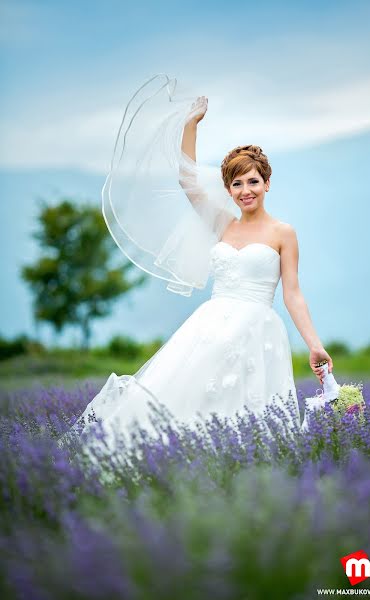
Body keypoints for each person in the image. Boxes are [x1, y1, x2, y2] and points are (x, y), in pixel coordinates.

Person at [60, 83, 333, 456]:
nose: (245, 190)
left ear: (267, 183)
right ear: (229, 189)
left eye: (253, 181)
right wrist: (192, 125)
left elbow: (293, 293)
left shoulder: (283, 233)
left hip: (257, 331)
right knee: (186, 400)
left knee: (248, 413)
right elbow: (186, 180)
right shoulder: (224, 224)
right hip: (211, 327)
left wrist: (314, 345)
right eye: (236, 184)